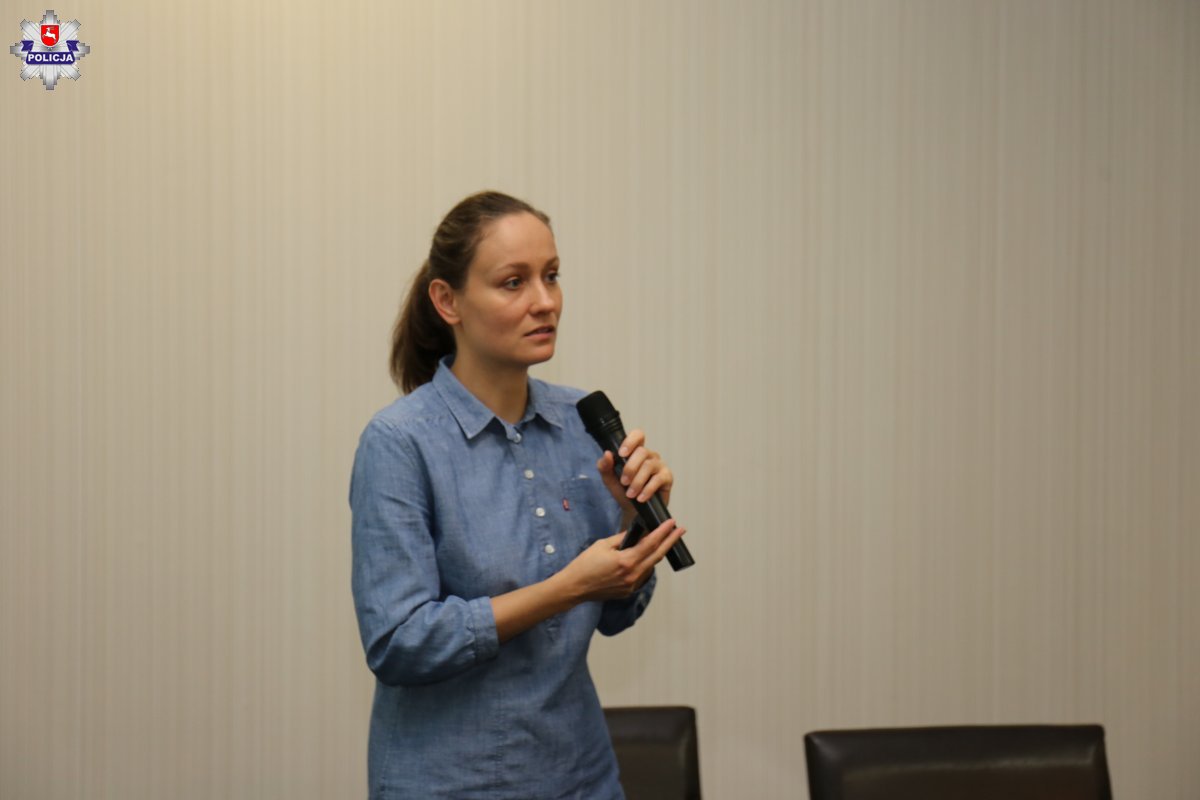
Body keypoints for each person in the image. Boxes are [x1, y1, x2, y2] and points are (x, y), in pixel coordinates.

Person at [349, 190, 687, 799]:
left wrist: (634, 520)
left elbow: (616, 614)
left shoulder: (581, 420)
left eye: (551, 276)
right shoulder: (400, 442)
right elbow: (398, 643)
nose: (545, 301)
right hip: (451, 784)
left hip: (581, 777)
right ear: (447, 301)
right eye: (514, 282)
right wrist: (568, 588)